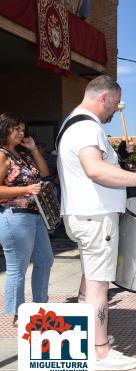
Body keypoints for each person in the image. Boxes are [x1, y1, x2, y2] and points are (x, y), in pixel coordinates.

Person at [57, 75, 136, 371]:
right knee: (98, 286)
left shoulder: (72, 123)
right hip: (95, 218)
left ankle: (86, 340)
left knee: (87, 282)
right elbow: (95, 170)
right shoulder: (87, 126)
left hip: (84, 215)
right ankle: (100, 351)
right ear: (103, 98)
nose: (115, 112)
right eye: (115, 105)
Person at [0, 113, 53, 327]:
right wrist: (26, 189)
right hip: (14, 217)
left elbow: (45, 173)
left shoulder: (21, 154)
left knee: (45, 260)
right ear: (5, 130)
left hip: (34, 215)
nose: (22, 133)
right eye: (17, 129)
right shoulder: (2, 155)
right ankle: (17, 314)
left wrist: (32, 148)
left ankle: (40, 305)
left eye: (23, 129)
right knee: (17, 267)